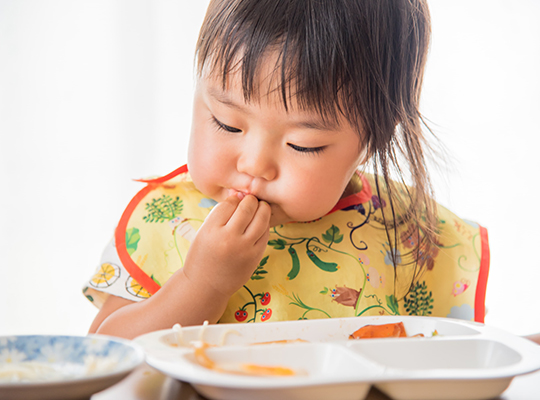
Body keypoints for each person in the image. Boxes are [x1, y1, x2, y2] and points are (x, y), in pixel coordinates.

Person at [84, 0, 490, 340]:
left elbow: (454, 357)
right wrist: (201, 285)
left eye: (303, 144)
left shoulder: (409, 232)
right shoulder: (164, 220)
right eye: (226, 123)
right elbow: (105, 356)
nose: (253, 164)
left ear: (374, 140)